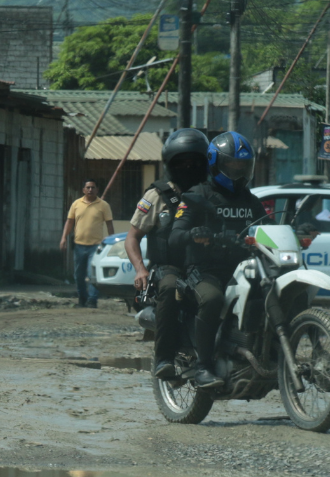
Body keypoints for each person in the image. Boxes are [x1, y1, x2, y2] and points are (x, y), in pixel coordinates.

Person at [167, 131, 264, 389]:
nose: (238, 171)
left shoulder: (251, 201)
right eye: (232, 164)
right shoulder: (197, 195)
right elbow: (175, 237)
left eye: (243, 165)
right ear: (216, 164)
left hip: (244, 268)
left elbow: (269, 229)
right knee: (212, 299)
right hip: (206, 269)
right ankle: (203, 367)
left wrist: (296, 229)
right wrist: (194, 234)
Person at [125, 128, 211, 379]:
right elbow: (132, 237)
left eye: (194, 162)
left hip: (205, 266)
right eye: (182, 162)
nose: (189, 167)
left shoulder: (212, 192)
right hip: (169, 266)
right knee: (170, 288)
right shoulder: (157, 196)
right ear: (171, 164)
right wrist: (140, 269)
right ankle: (163, 358)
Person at [60, 179, 113, 308]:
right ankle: (82, 299)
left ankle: (92, 300)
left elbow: (109, 224)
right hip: (79, 245)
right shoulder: (76, 204)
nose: (90, 190)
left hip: (95, 246)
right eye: (88, 187)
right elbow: (69, 222)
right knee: (78, 275)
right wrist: (63, 238)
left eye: (93, 187)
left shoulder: (103, 205)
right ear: (83, 190)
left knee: (91, 275)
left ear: (97, 190)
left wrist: (111, 242)